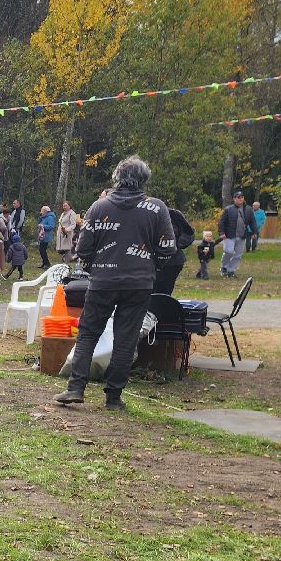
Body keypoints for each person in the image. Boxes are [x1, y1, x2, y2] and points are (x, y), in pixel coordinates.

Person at [54, 155, 174, 411]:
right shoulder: (156, 208)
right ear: (144, 180)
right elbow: (168, 247)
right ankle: (113, 397)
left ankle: (76, 388)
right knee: (126, 338)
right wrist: (152, 265)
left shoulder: (99, 207)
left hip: (103, 280)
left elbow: (83, 247)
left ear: (116, 179)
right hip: (139, 282)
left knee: (88, 333)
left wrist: (92, 266)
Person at [153, 206, 196, 295]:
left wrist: (176, 244)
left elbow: (189, 233)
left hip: (172, 262)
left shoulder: (173, 214)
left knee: (163, 294)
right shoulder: (142, 214)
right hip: (148, 262)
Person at [217, 189, 251, 277]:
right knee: (229, 251)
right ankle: (224, 267)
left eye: (242, 197)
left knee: (238, 255)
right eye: (238, 197)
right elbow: (222, 221)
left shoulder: (247, 209)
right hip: (229, 235)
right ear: (234, 199)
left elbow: (252, 221)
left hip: (241, 235)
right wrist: (221, 232)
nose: (240, 199)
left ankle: (231, 270)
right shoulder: (228, 209)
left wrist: (255, 231)